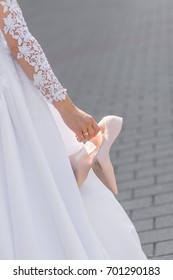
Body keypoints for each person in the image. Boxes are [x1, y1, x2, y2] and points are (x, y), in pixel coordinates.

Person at [0, 0, 147, 260]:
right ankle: (82, 159)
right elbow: (19, 42)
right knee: (44, 188)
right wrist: (69, 111)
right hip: (10, 105)